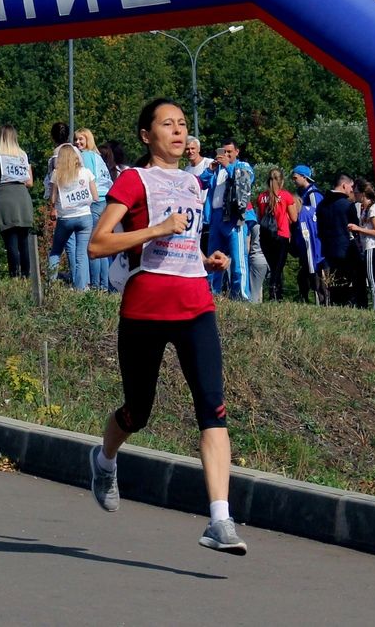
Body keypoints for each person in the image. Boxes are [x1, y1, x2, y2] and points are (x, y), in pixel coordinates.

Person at [87, 97, 244, 555]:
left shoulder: (195, 184)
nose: (178, 131)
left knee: (213, 409)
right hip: (145, 309)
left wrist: (204, 259)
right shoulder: (135, 181)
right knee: (138, 412)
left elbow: (184, 244)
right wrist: (155, 230)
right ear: (146, 136)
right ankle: (104, 460)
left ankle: (220, 520)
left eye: (182, 125)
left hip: (196, 303)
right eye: (167, 124)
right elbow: (98, 244)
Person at [200, 139, 254, 300]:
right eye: (224, 152)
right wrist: (210, 170)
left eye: (230, 152)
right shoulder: (216, 170)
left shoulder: (242, 166)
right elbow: (201, 183)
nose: (226, 155)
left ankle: (241, 296)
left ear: (237, 152)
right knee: (213, 258)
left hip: (233, 217)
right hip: (215, 218)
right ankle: (212, 294)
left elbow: (245, 180)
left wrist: (227, 166)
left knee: (238, 260)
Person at [0, 124, 34, 278]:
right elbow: (30, 182)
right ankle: (27, 275)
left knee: (11, 240)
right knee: (24, 240)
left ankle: (14, 275)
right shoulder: (23, 156)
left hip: (5, 197)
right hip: (22, 196)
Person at [47, 143, 96, 290]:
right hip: (84, 217)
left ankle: (51, 285)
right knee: (81, 254)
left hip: (65, 218)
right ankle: (80, 288)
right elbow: (95, 195)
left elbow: (53, 199)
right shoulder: (86, 172)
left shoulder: (57, 174)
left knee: (56, 251)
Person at [255, 167, 300, 302]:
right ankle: (274, 290)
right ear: (282, 181)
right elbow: (294, 218)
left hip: (265, 236)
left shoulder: (261, 197)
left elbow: (259, 217)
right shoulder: (286, 196)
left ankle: (277, 294)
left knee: (273, 266)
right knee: (278, 267)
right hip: (281, 235)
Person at [77, 128, 113, 290]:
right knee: (102, 247)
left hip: (95, 201)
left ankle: (96, 285)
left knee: (92, 246)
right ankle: (104, 286)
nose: (77, 143)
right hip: (106, 200)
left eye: (81, 139)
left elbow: (87, 181)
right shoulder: (98, 157)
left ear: (88, 140)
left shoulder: (85, 156)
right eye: (76, 140)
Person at [317, 173, 359, 306]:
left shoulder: (322, 205)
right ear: (344, 185)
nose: (352, 190)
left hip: (328, 249)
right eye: (351, 187)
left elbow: (320, 228)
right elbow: (355, 226)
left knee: (334, 282)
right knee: (347, 282)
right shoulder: (346, 205)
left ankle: (336, 304)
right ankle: (348, 304)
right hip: (345, 249)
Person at [290, 165, 326, 304]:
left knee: (314, 272)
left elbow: (315, 219)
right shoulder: (303, 193)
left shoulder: (313, 195)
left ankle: (320, 298)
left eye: (295, 177)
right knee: (304, 273)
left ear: (304, 177)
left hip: (314, 242)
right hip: (306, 241)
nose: (294, 181)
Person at [348, 180, 375, 310]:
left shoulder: (373, 209)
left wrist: (358, 229)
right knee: (374, 280)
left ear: (363, 193)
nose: (354, 194)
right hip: (368, 247)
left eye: (356, 192)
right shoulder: (365, 209)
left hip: (372, 248)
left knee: (373, 281)